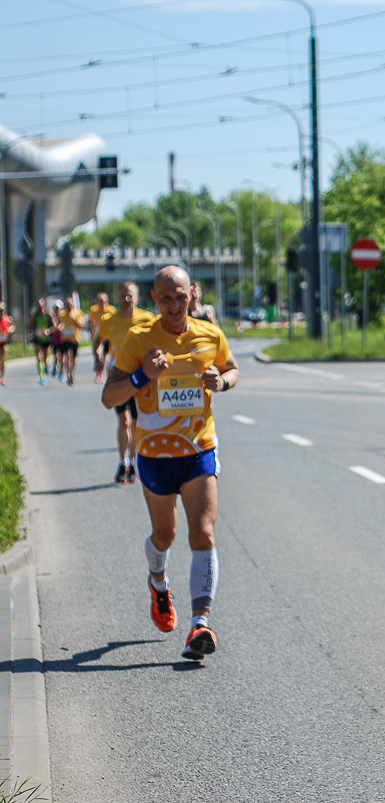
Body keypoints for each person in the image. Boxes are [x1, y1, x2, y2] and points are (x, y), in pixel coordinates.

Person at [102, 266, 239, 662]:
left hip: (199, 448)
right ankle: (158, 583)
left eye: (181, 296)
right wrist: (144, 374)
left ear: (192, 293)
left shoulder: (210, 334)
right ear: (155, 299)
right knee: (165, 536)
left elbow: (231, 369)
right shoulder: (138, 340)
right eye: (166, 299)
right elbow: (110, 397)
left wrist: (222, 382)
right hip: (156, 455)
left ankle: (200, 622)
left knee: (204, 533)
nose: (175, 305)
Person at [96, 282, 156, 483]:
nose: (126, 299)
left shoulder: (147, 319)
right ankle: (123, 463)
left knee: (137, 423)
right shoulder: (109, 320)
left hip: (141, 376)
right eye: (123, 295)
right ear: (118, 298)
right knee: (124, 421)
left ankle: (133, 460)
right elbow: (98, 341)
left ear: (137, 298)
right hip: (119, 376)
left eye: (130, 295)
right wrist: (98, 358)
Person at [56, 296, 85, 386]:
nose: (68, 306)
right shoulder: (62, 314)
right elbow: (59, 324)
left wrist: (74, 319)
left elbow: (81, 326)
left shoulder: (78, 313)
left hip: (75, 339)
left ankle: (72, 373)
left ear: (73, 305)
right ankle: (68, 373)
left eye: (70, 304)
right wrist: (59, 328)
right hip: (65, 338)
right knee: (68, 356)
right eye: (66, 305)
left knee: (73, 358)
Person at [89, 292, 116, 383]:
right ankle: (98, 370)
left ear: (106, 301)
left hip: (108, 336)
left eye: (102, 301)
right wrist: (91, 329)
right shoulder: (93, 310)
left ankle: (101, 374)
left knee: (105, 355)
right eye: (99, 301)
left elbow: (114, 322)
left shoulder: (111, 310)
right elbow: (91, 321)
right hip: (98, 335)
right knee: (97, 353)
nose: (100, 303)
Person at [29, 298, 54, 385]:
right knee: (39, 358)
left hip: (46, 340)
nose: (40, 308)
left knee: (46, 357)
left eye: (42, 306)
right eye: (39, 306)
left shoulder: (49, 315)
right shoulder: (34, 315)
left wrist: (48, 331)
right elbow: (29, 325)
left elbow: (55, 327)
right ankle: (42, 376)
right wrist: (32, 331)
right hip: (37, 339)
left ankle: (46, 366)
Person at [0, 303, 13, 386]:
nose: (1, 313)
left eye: (2, 311)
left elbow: (12, 327)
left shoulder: (7, 319)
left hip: (4, 342)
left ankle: (2, 377)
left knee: (3, 360)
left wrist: (9, 330)